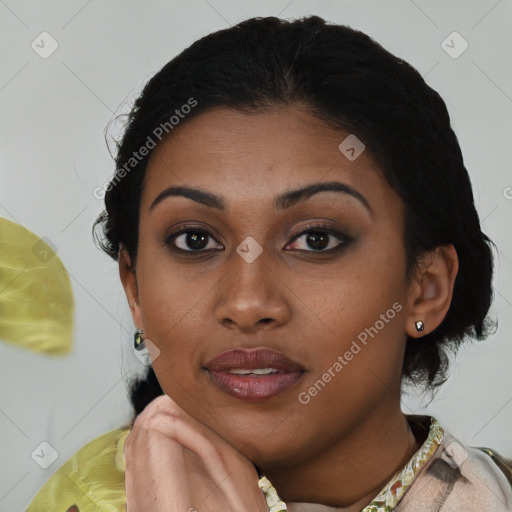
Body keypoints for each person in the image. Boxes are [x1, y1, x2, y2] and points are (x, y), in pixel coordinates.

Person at [26, 14, 512, 512]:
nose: (247, 302)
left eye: (316, 239)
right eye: (195, 240)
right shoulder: (82, 500)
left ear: (426, 287)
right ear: (134, 288)